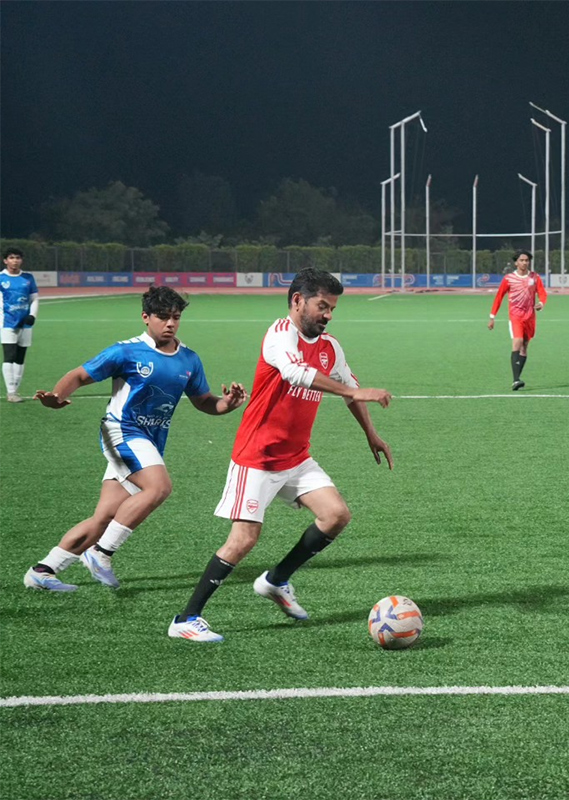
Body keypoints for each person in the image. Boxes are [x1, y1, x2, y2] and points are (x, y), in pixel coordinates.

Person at [169, 268, 393, 643]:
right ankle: (186, 618)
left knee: (336, 515)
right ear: (297, 301)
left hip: (296, 458)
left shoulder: (330, 347)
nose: (328, 315)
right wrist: (354, 393)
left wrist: (371, 433)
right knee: (243, 540)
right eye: (322, 306)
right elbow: (296, 374)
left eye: (332, 308)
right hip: (258, 456)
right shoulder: (279, 335)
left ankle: (276, 581)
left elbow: (351, 389)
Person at [23, 286, 247, 592]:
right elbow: (79, 375)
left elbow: (204, 401)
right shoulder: (125, 352)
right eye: (163, 317)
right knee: (159, 487)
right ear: (146, 317)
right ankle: (100, 553)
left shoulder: (189, 360)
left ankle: (43, 570)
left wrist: (228, 405)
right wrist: (56, 397)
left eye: (176, 317)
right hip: (121, 431)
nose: (170, 323)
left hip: (149, 441)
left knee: (104, 517)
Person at [488, 249, 546, 391]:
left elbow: (542, 293)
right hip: (516, 316)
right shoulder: (509, 278)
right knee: (517, 341)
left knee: (525, 347)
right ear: (516, 262)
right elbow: (499, 297)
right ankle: (515, 380)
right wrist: (492, 317)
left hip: (530, 317)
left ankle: (517, 379)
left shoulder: (535, 277)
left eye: (527, 260)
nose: (524, 262)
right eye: (521, 260)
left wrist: (541, 303)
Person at [2, 247, 38, 403]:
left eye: (17, 257)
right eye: (11, 257)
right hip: (7, 323)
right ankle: (10, 392)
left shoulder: (28, 278)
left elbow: (34, 299)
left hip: (25, 324)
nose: (14, 260)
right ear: (5, 261)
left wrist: (32, 315)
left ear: (21, 260)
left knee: (20, 358)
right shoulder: (1, 278)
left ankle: (15, 391)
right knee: (9, 356)